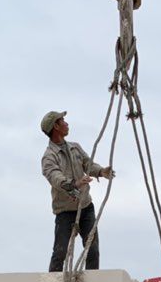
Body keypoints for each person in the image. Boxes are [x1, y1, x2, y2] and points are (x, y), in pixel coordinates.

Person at [40, 110, 114, 272]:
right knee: (60, 253)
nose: (66, 123)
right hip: (65, 212)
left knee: (92, 250)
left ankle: (92, 281)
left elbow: (88, 164)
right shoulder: (49, 157)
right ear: (56, 127)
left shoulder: (75, 147)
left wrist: (101, 171)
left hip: (85, 207)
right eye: (63, 121)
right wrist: (74, 184)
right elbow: (55, 178)